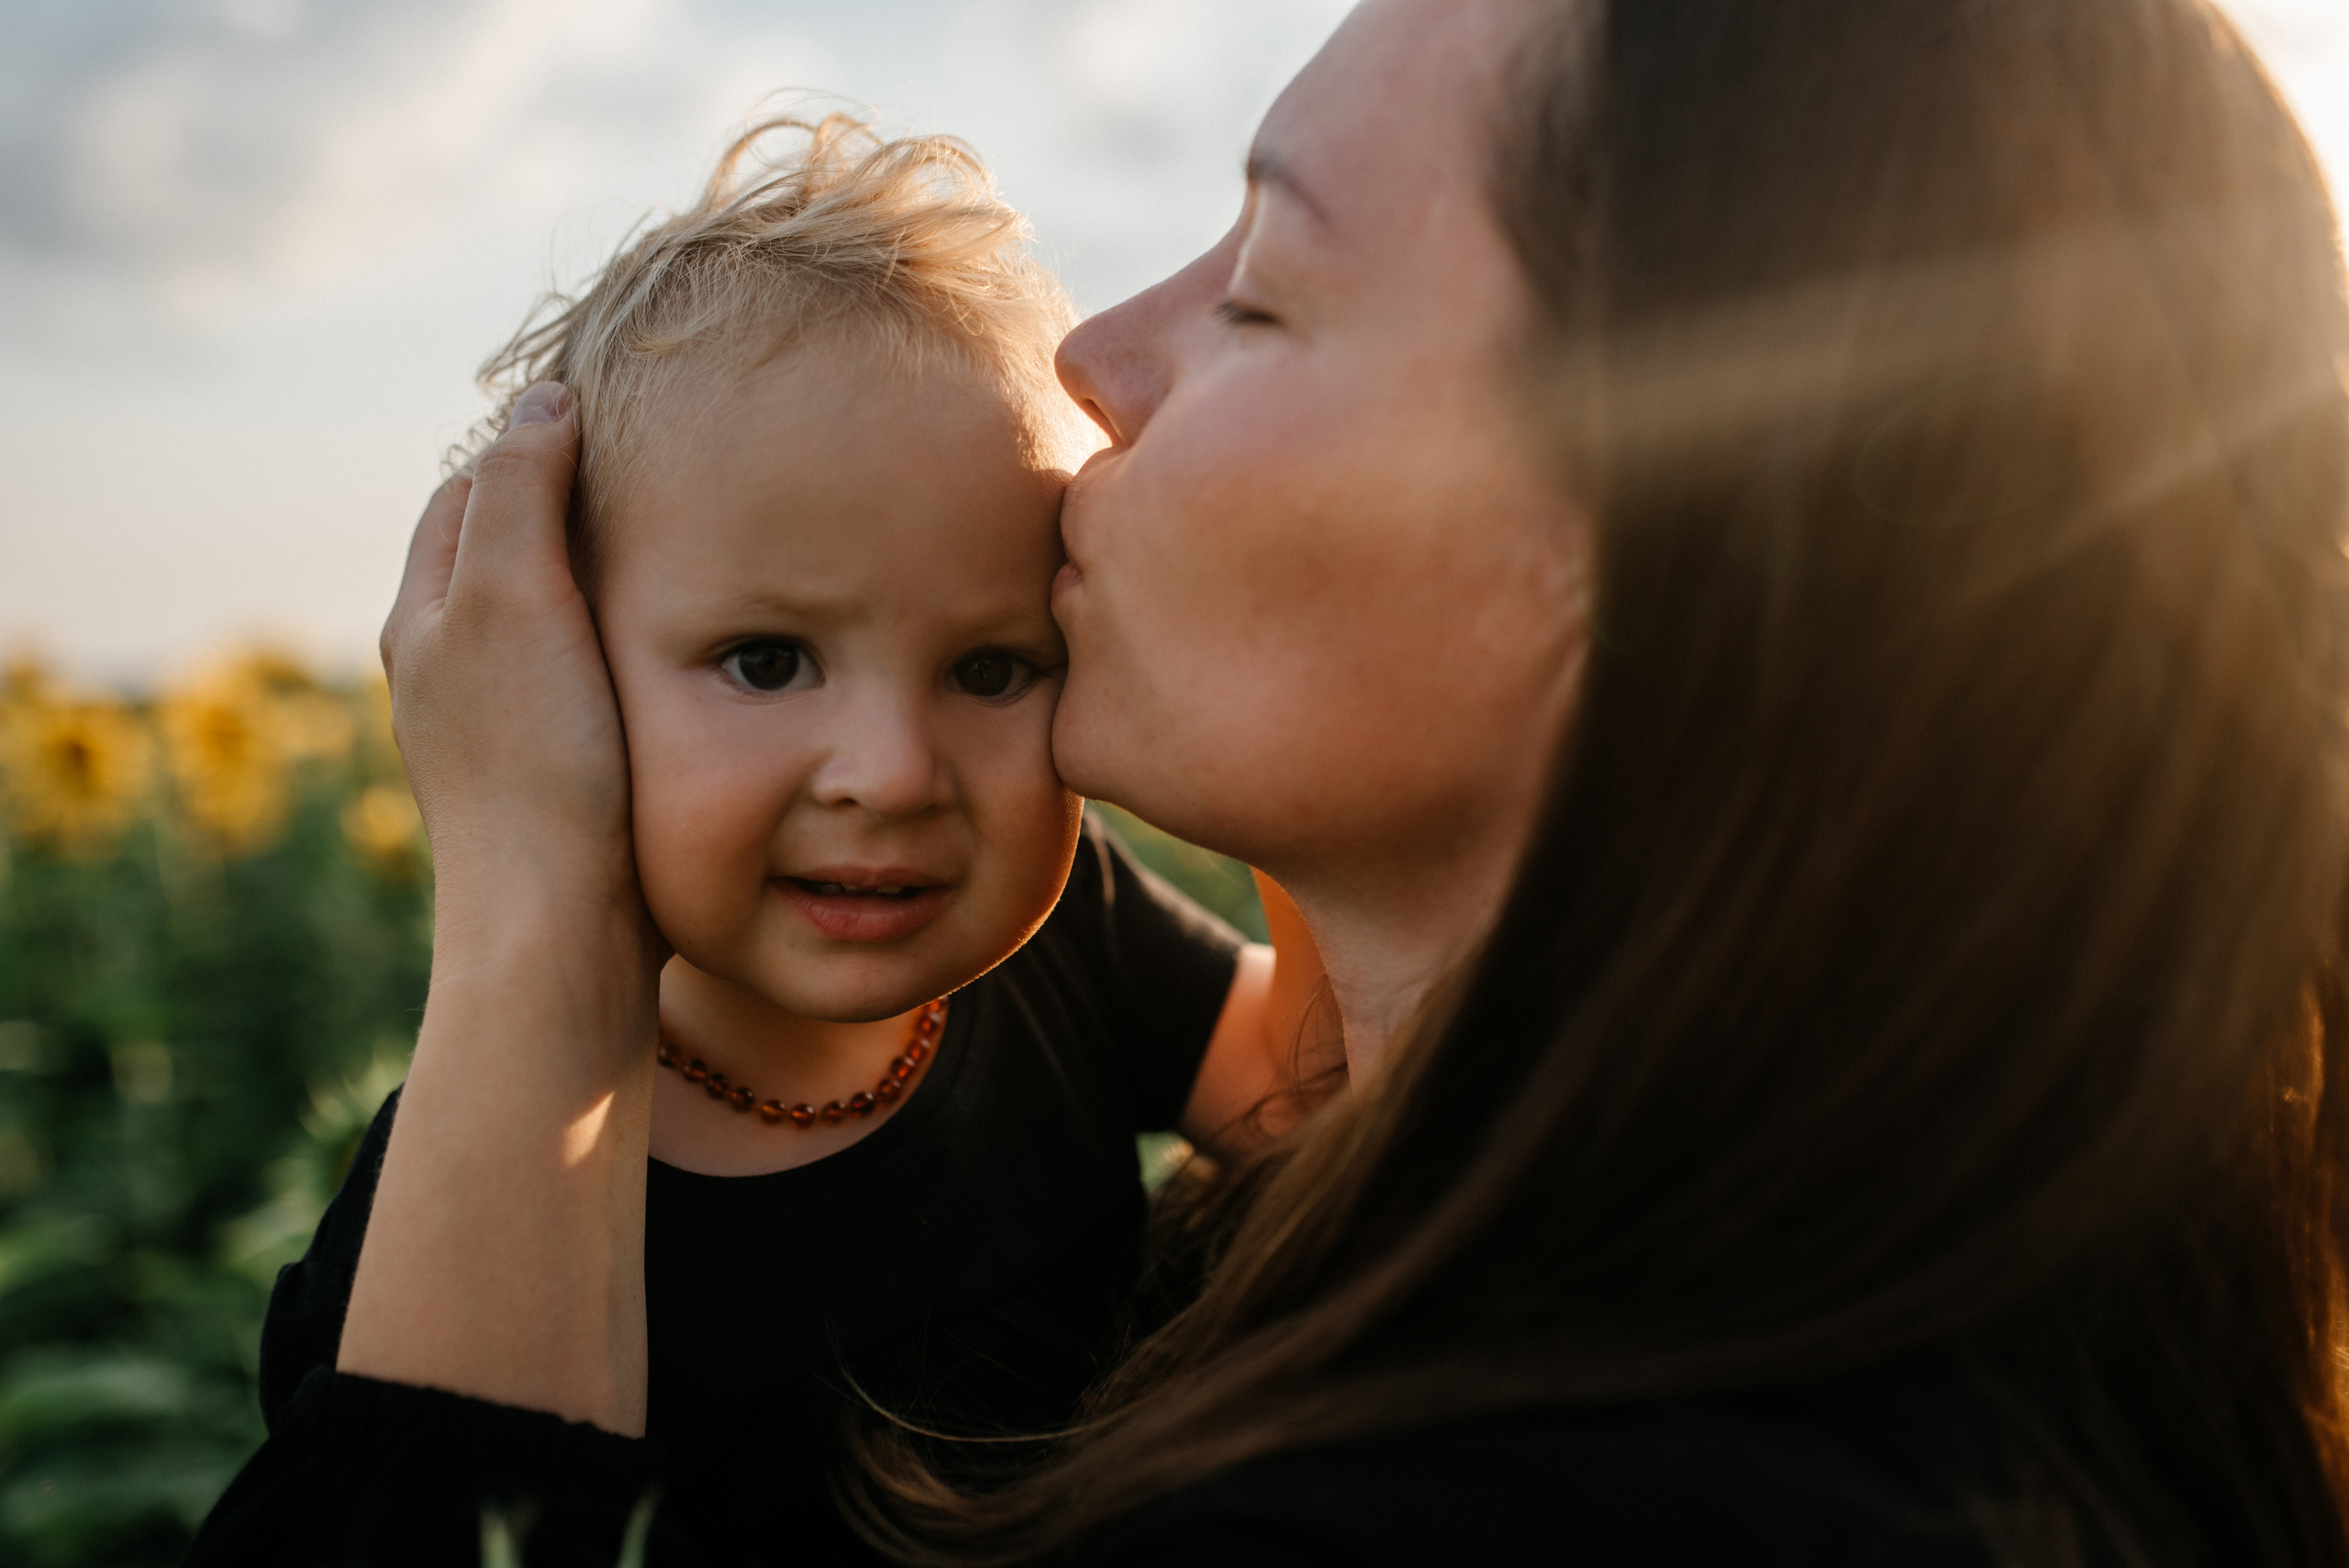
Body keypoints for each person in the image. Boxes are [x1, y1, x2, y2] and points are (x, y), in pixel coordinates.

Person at [193, 0, 2349, 1562]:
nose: (1093, 366)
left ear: (1665, 526)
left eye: (1263, 293)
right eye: (766, 656)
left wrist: (530, 924)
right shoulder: (1865, 1335)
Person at [200, 117, 1326, 1568]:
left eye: (992, 667)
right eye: (768, 660)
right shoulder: (487, 1183)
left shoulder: (1066, 936)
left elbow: (1307, 1098)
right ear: (557, 672)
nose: (892, 773)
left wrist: (1290, 784)